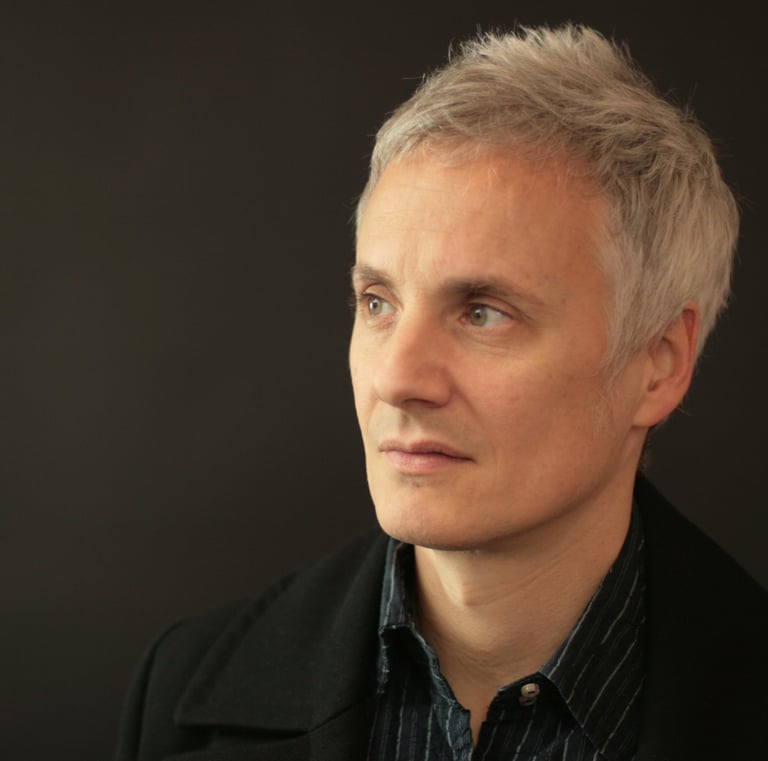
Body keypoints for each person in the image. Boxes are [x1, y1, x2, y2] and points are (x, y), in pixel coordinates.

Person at [114, 24, 768, 761]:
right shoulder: (178, 696)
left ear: (659, 361)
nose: (397, 377)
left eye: (483, 312)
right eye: (377, 303)